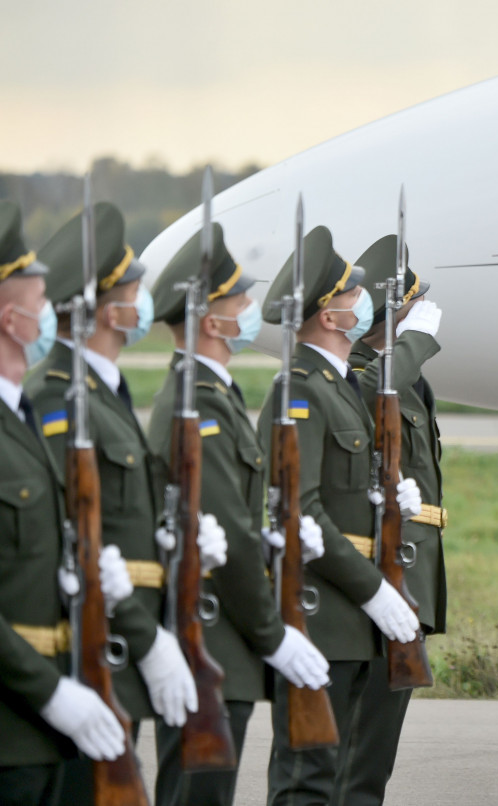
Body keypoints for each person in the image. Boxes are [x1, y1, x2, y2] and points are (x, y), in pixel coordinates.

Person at [25, 202, 225, 802]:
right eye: (134, 292)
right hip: (100, 635)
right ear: (102, 308)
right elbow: (78, 533)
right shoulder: (58, 397)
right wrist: (145, 635)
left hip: (128, 630)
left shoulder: (104, 390)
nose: (141, 308)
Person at [146, 223, 332, 806]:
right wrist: (272, 635)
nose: (253, 312)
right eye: (241, 302)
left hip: (224, 636)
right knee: (197, 795)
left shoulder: (214, 395)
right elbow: (226, 527)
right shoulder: (196, 401)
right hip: (212, 635)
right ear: (212, 321)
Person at [257, 225, 423, 806]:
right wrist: (375, 590)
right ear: (330, 316)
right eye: (354, 296)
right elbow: (298, 515)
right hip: (323, 614)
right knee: (308, 783)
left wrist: (390, 496)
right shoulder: (299, 391)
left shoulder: (341, 386)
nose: (364, 305)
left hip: (351, 622)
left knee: (345, 778)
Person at [0, 200, 133, 805]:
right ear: (11, 320)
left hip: (42, 724)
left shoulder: (19, 415)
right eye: (39, 305)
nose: (51, 317)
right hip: (16, 722)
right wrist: (51, 691)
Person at [335, 235, 446, 805]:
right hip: (373, 577)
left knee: (374, 752)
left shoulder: (410, 382)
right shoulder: (353, 376)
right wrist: (417, 340)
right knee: (357, 753)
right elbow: (374, 387)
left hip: (408, 578)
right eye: (414, 304)